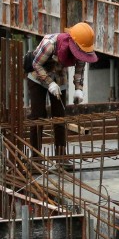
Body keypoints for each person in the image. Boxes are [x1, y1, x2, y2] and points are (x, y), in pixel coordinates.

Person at [24, 22, 98, 166]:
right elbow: (36, 64)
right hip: (38, 76)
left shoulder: (81, 49)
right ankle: (36, 158)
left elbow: (79, 69)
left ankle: (61, 157)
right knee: (38, 116)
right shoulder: (49, 44)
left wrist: (78, 88)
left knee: (60, 116)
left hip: (59, 77)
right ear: (72, 42)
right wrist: (49, 83)